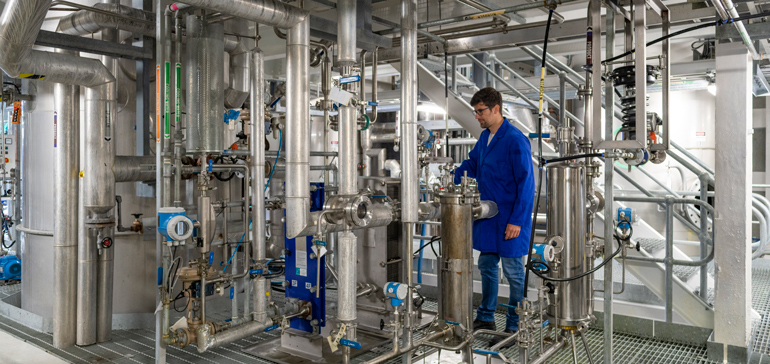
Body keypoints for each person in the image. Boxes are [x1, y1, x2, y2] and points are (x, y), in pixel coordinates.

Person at [453, 87, 535, 342]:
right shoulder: (485, 137)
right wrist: (452, 173)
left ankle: (514, 325)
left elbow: (527, 184)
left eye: (480, 112)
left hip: (509, 219)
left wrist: (517, 221)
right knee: (487, 265)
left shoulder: (515, 139)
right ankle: (486, 315)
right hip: (488, 217)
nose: (477, 116)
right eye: (475, 112)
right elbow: (472, 164)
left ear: (496, 109)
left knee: (513, 271)